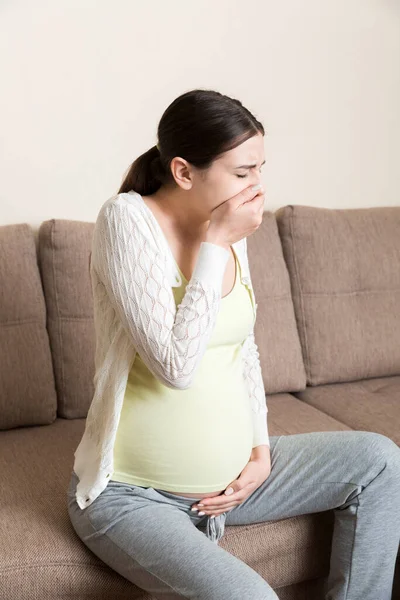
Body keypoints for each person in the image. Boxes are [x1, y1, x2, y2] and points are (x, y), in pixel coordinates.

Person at [67, 88, 400, 600]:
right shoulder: (127, 221)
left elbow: (243, 350)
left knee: (380, 459)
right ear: (183, 172)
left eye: (260, 169)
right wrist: (216, 243)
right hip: (133, 495)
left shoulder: (228, 225)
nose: (256, 187)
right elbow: (175, 367)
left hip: (234, 485)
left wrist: (260, 451)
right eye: (242, 173)